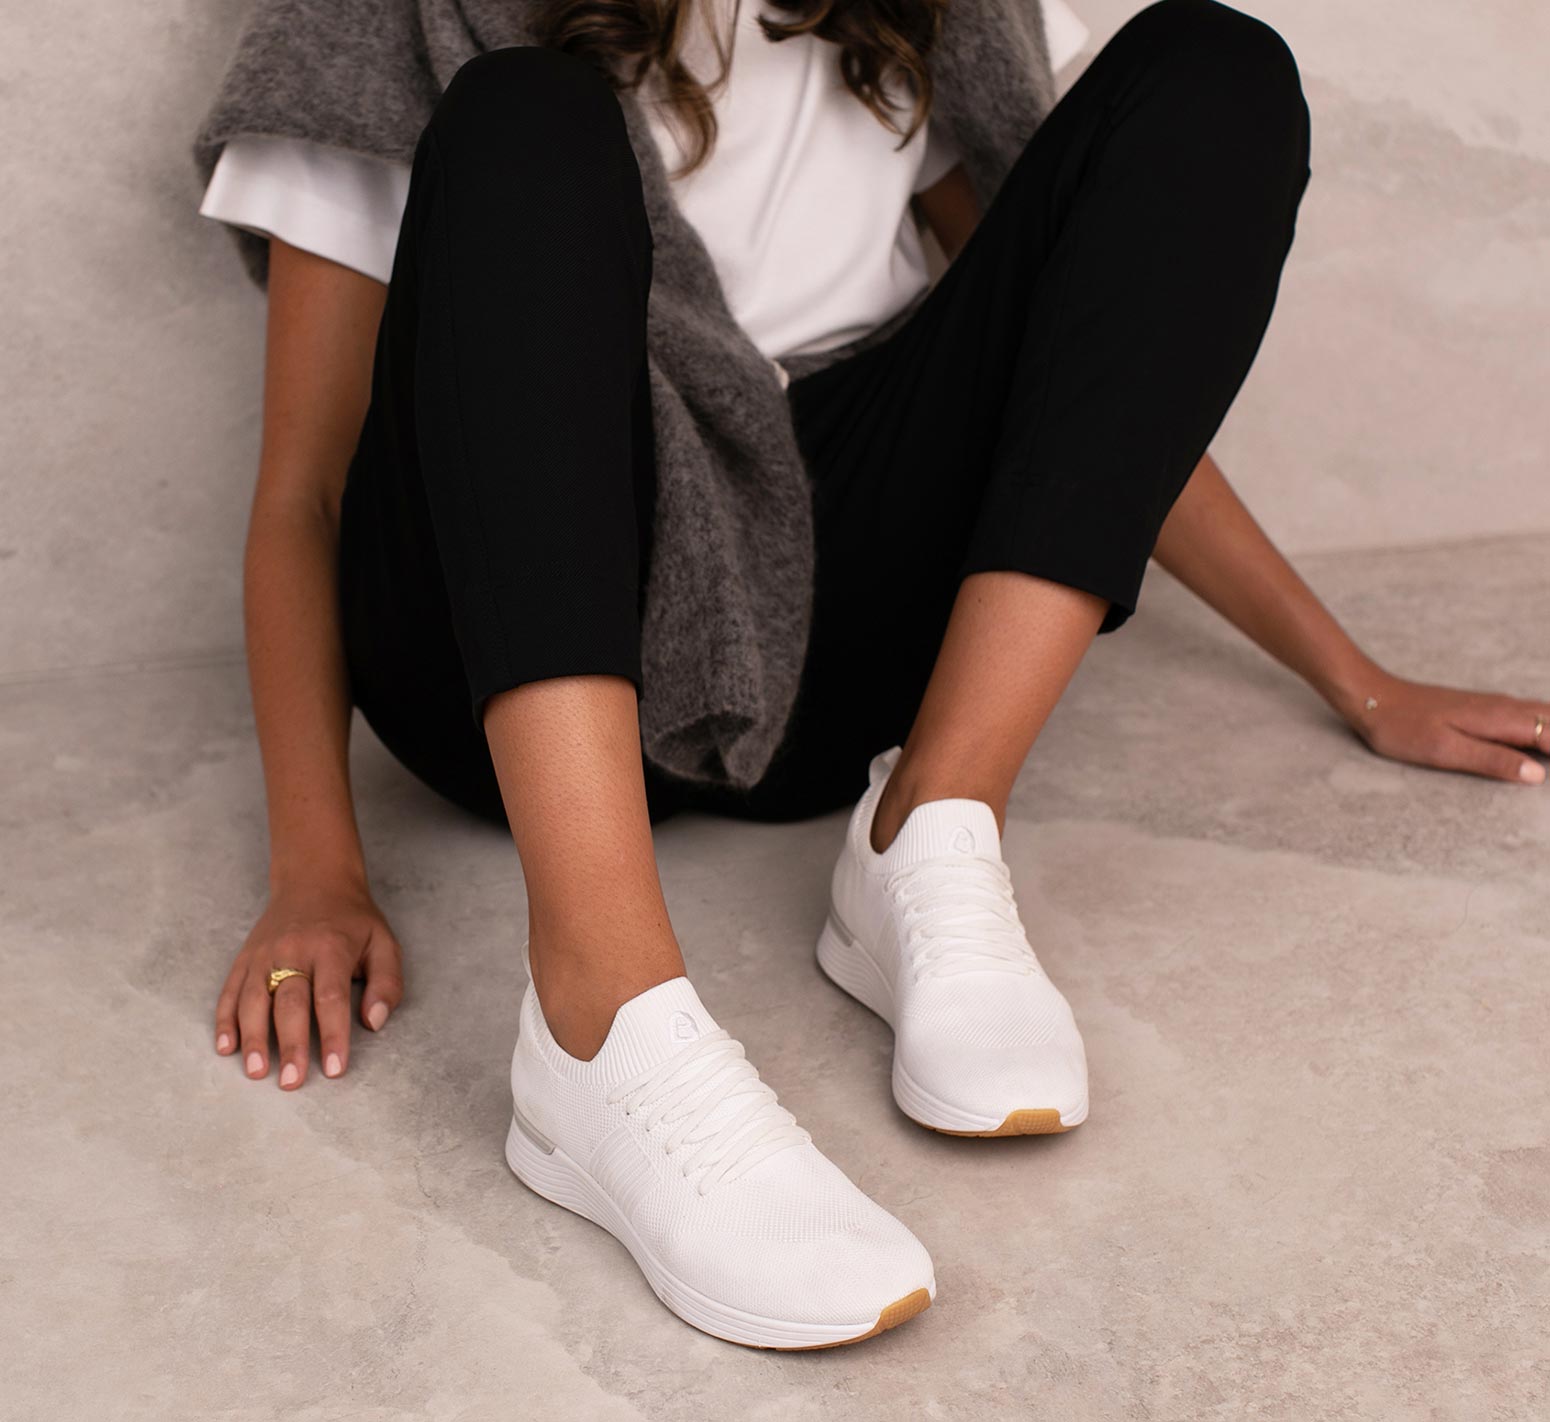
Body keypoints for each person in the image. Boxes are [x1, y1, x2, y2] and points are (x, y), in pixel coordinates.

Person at [195, 0, 1547, 1348]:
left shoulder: (917, 21)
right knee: (524, 114)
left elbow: (1085, 386)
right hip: (506, 653)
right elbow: (306, 490)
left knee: (1213, 67)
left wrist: (1355, 678)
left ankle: (932, 825)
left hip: (823, 635)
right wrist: (317, 866)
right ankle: (601, 1022)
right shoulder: (390, 20)